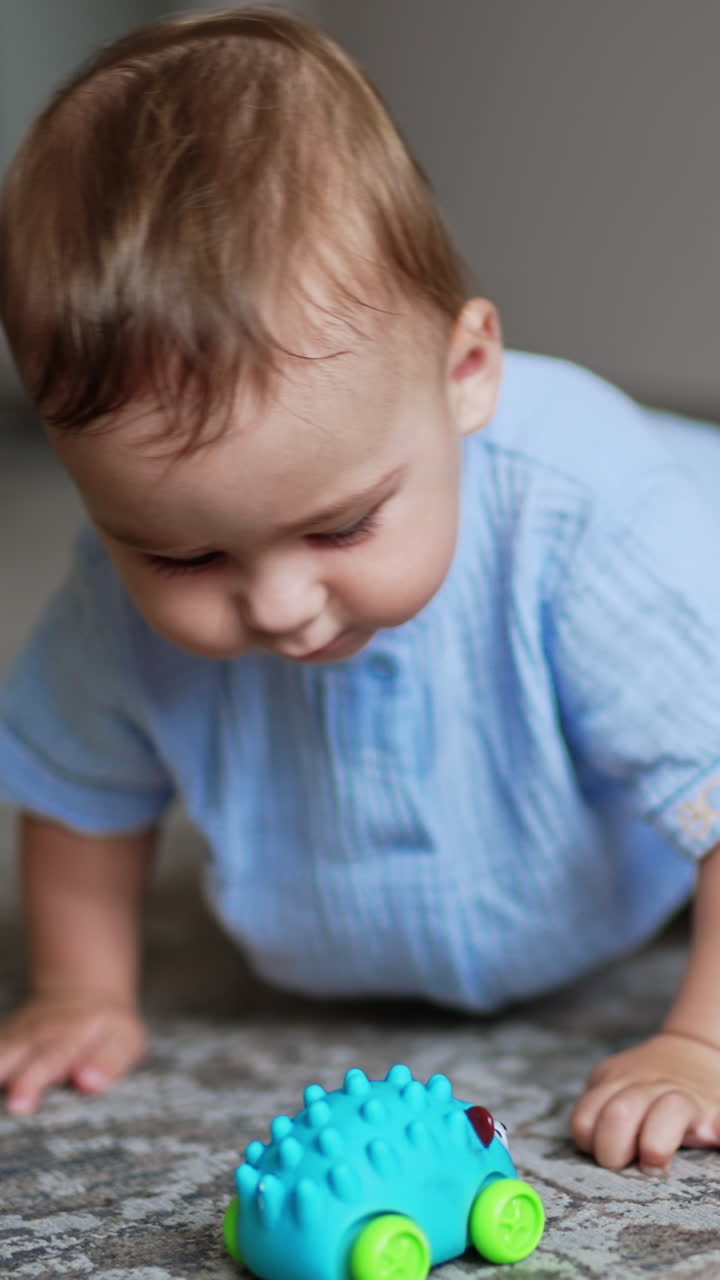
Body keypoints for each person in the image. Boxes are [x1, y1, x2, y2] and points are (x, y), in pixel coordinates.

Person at [1, 6, 720, 1176]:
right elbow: (77, 781)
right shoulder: (115, 578)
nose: (279, 604)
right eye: (186, 557)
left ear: (467, 373)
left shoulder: (590, 518)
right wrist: (80, 986)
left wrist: (701, 1041)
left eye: (339, 523)